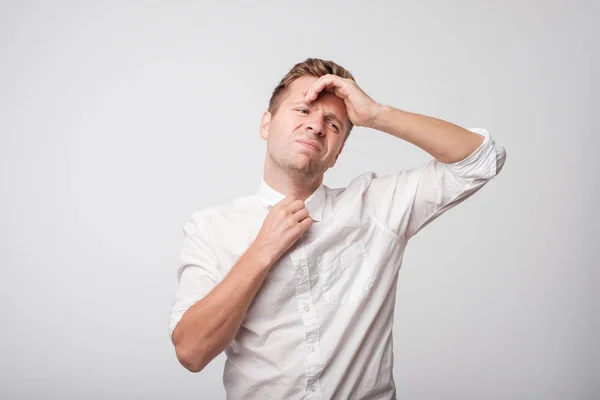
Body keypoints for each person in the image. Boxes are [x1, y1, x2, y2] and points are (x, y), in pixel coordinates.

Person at [168, 58, 506, 399]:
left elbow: (481, 160)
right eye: (302, 110)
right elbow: (192, 353)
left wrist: (376, 114)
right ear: (266, 124)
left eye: (332, 124)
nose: (316, 126)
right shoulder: (210, 228)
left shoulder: (374, 207)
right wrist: (261, 252)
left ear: (338, 153)